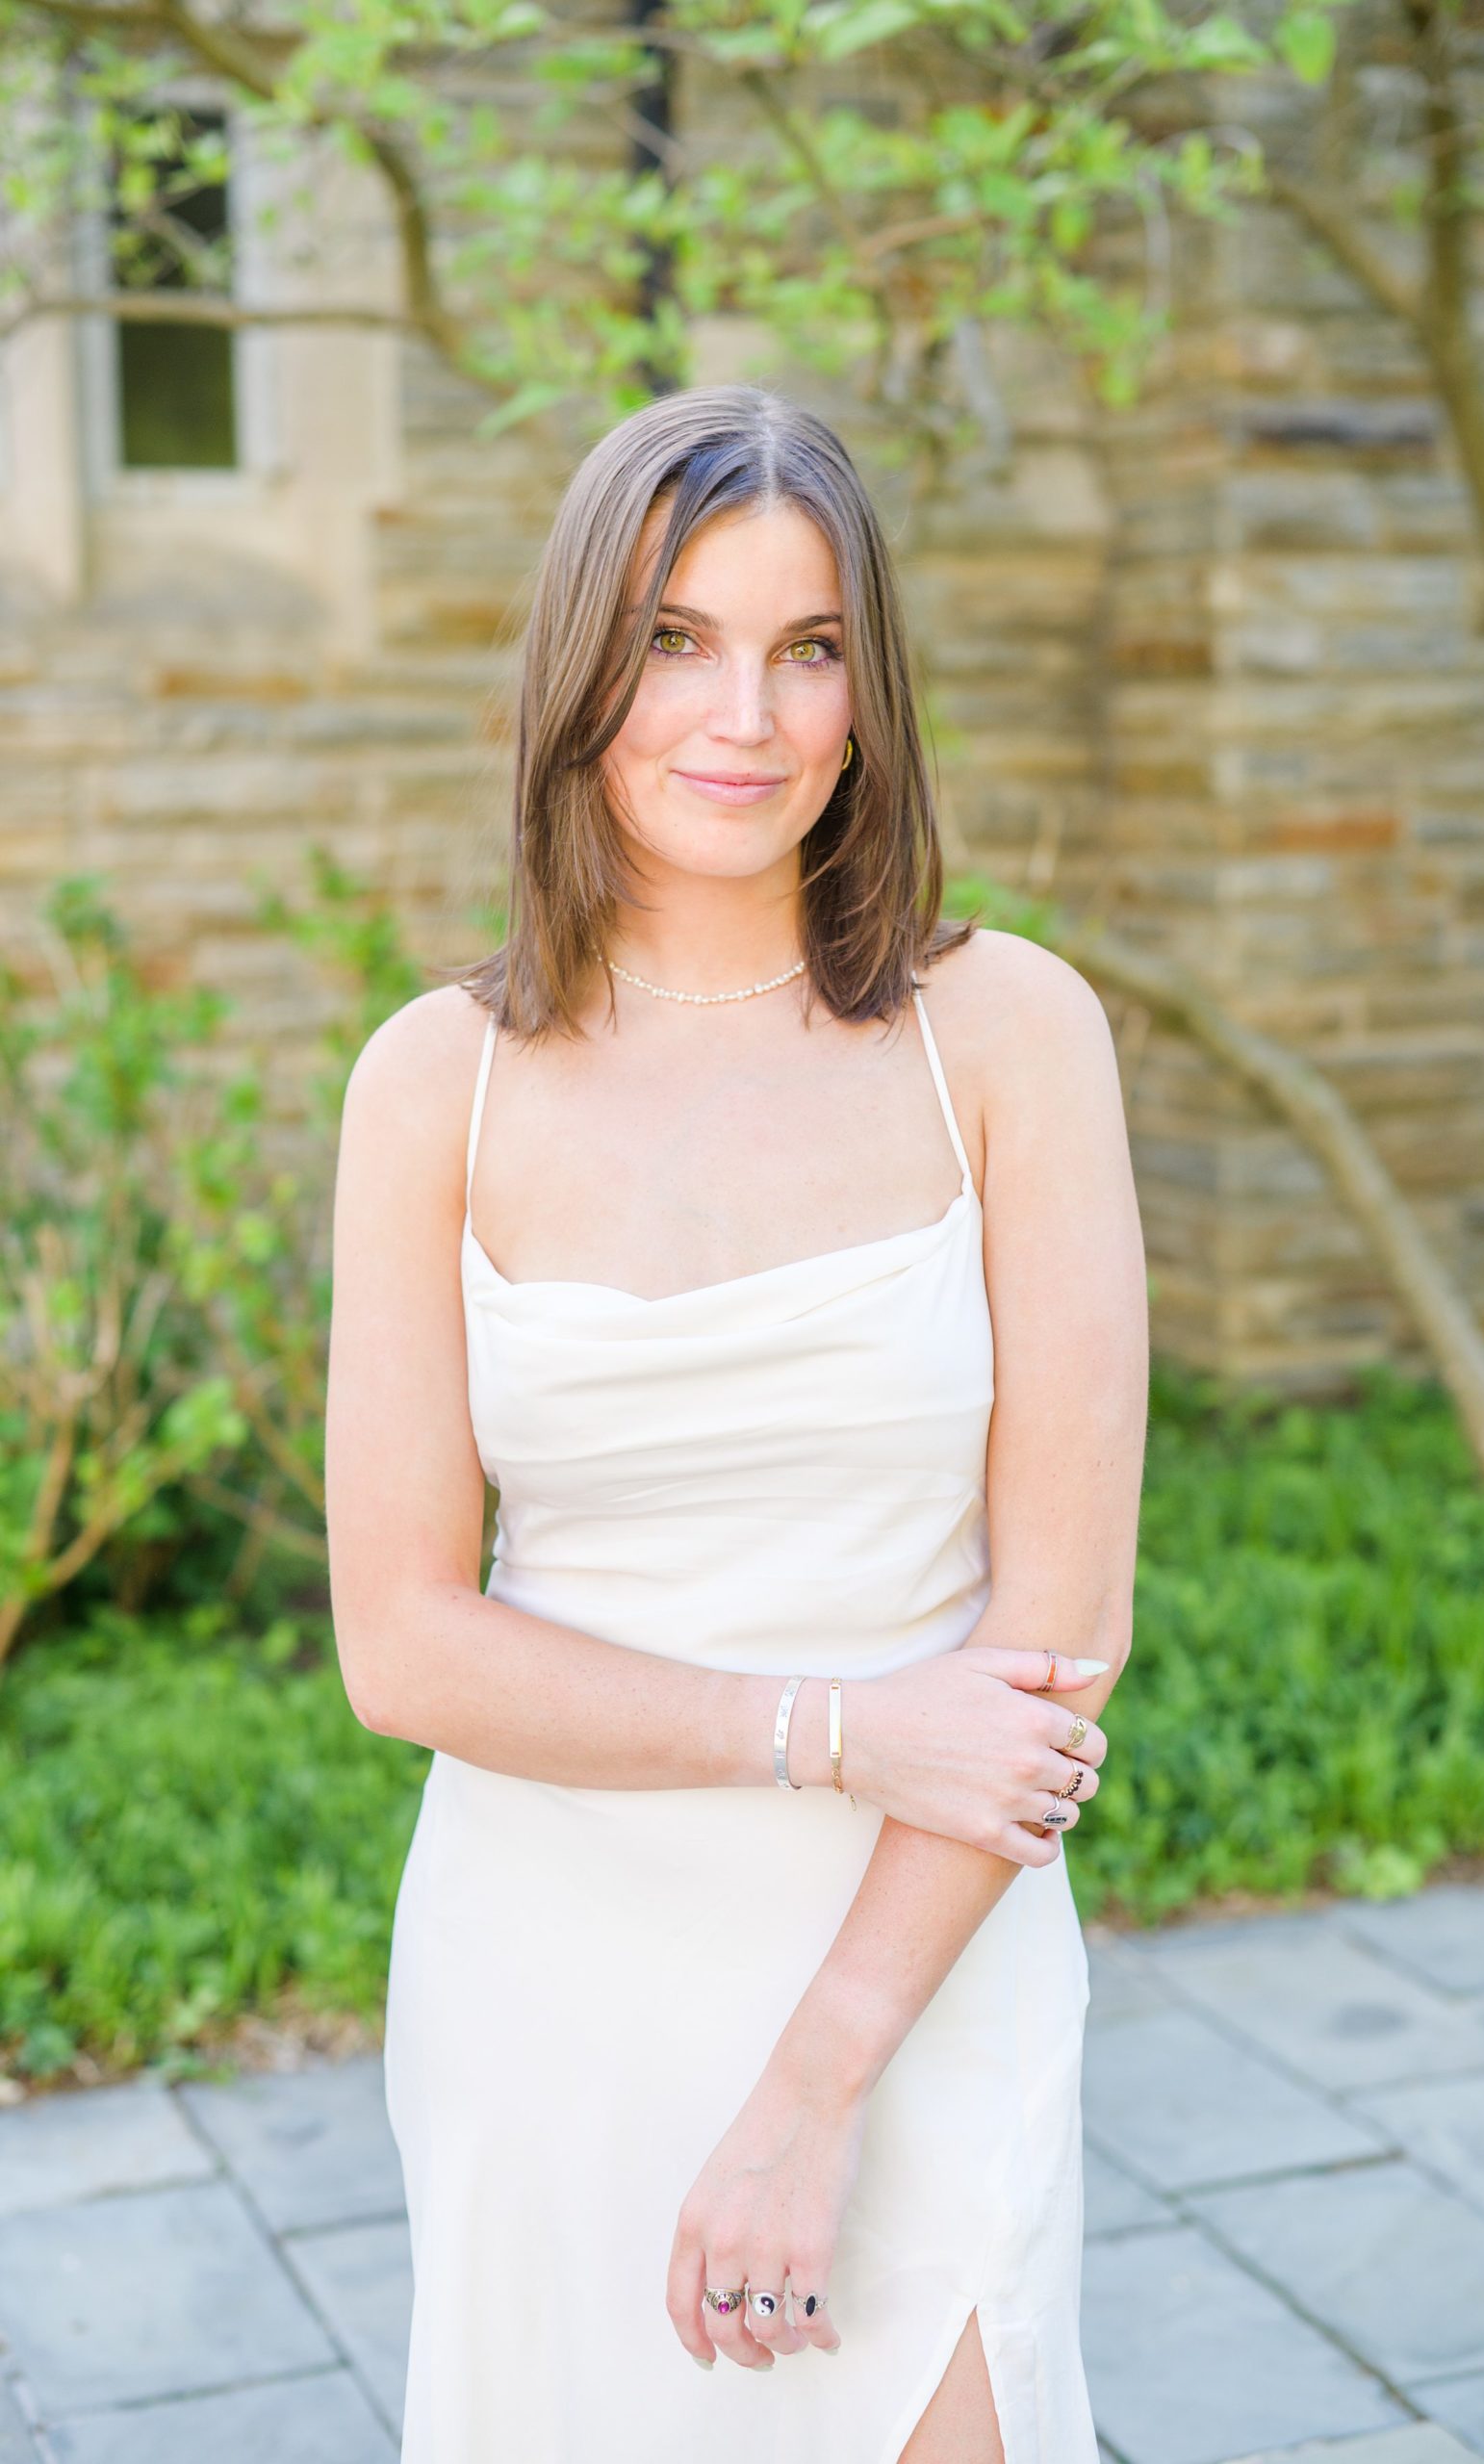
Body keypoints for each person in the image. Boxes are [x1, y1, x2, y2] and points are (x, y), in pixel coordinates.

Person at [325, 382, 1148, 2463]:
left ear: (870, 693)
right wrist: (836, 1720)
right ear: (578, 673)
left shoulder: (1011, 1034)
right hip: (560, 1959)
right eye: (678, 639)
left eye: (808, 647)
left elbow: (1053, 1648)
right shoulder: (439, 1082)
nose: (745, 714)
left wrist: (816, 2083)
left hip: (918, 1935)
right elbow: (402, 1644)